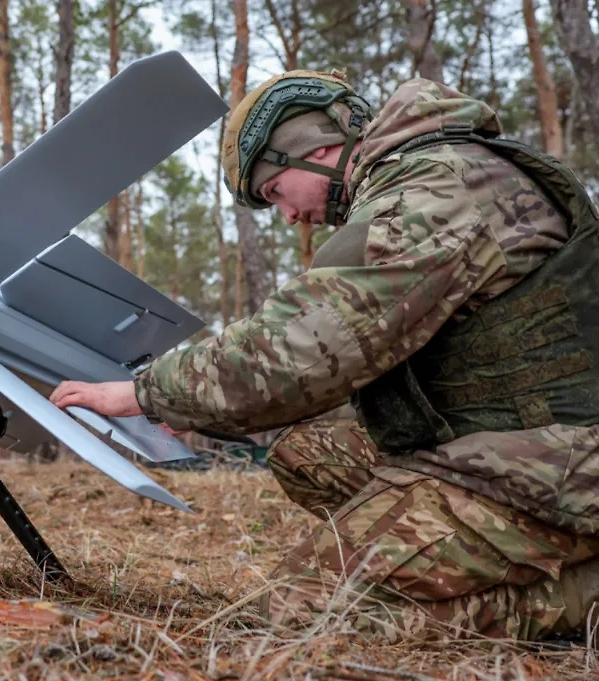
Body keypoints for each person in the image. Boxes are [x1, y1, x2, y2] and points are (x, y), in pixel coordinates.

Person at [49, 69, 599, 642]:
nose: (288, 216)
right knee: (305, 453)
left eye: (275, 192)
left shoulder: (436, 190)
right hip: (504, 442)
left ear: (316, 146)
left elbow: (301, 345)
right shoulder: (419, 181)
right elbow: (349, 367)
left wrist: (145, 393)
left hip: (556, 467)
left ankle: (580, 596)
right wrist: (194, 411)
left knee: (301, 611)